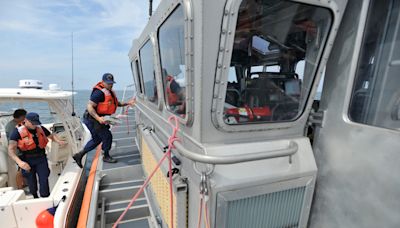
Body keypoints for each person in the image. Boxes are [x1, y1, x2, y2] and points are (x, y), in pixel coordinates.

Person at [73, 73, 135, 168]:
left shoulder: (109, 91)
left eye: (112, 83)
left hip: (100, 118)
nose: (110, 85)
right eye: (108, 83)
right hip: (92, 119)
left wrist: (128, 103)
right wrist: (98, 118)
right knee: (107, 136)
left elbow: (116, 103)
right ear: (103, 82)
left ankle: (79, 155)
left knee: (97, 139)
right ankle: (106, 156)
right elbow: (89, 106)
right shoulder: (98, 93)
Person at [8, 112, 66, 198]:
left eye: (36, 123)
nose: (35, 125)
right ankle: (35, 196)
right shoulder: (17, 132)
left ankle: (45, 196)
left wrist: (58, 141)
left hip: (41, 158)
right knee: (31, 180)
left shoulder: (40, 128)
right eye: (32, 123)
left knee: (44, 178)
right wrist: (20, 163)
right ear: (26, 121)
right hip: (27, 160)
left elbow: (51, 135)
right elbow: (10, 150)